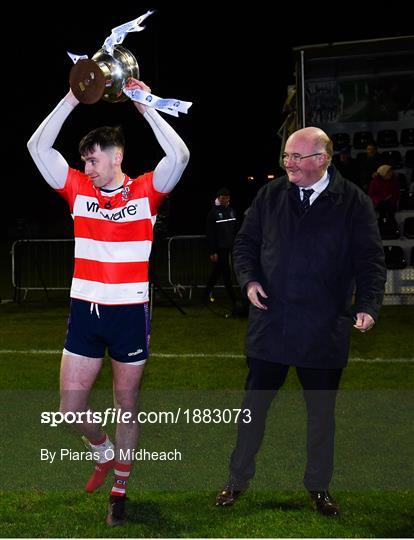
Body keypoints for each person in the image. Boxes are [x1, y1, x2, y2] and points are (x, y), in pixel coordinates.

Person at [27, 78, 189, 526]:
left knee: (127, 405)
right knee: (70, 410)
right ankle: (102, 452)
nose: (88, 165)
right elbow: (37, 147)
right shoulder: (78, 189)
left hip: (129, 315)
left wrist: (146, 108)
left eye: (94, 158)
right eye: (84, 159)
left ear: (117, 157)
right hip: (85, 312)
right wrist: (71, 98)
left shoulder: (145, 193)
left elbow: (179, 156)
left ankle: (119, 488)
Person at [215, 127, 386, 517]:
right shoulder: (271, 195)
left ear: (322, 159)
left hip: (324, 330)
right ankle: (236, 480)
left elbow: (371, 261)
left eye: (296, 157)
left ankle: (319, 488)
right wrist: (250, 279)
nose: (288, 163)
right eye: (286, 157)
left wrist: (370, 306)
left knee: (321, 418)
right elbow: (245, 244)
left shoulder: (354, 202)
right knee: (252, 412)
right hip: (271, 326)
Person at [205, 188, 237, 311]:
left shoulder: (231, 211)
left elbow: (235, 228)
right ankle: (234, 300)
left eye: (227, 198)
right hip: (220, 249)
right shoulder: (213, 213)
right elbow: (210, 234)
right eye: (222, 198)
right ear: (218, 198)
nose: (225, 200)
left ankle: (205, 294)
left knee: (216, 273)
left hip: (229, 247)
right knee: (226, 274)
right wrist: (212, 251)